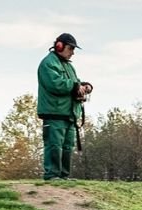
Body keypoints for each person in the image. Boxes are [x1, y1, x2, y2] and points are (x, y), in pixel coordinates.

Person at [37, 33, 92, 180]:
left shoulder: (68, 66)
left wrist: (84, 86)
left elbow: (75, 83)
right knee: (54, 145)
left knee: (67, 147)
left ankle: (63, 176)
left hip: (69, 113)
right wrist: (75, 86)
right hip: (54, 112)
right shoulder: (48, 63)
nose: (73, 52)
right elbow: (55, 84)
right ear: (59, 46)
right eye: (71, 48)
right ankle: (52, 175)